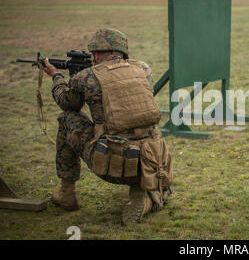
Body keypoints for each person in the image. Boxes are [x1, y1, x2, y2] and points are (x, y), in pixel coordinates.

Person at [41, 28, 173, 225]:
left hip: (112, 164)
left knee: (67, 119)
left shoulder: (85, 77)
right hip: (153, 160)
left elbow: (68, 103)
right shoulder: (143, 69)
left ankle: (66, 193)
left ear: (94, 54)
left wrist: (56, 76)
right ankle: (146, 195)